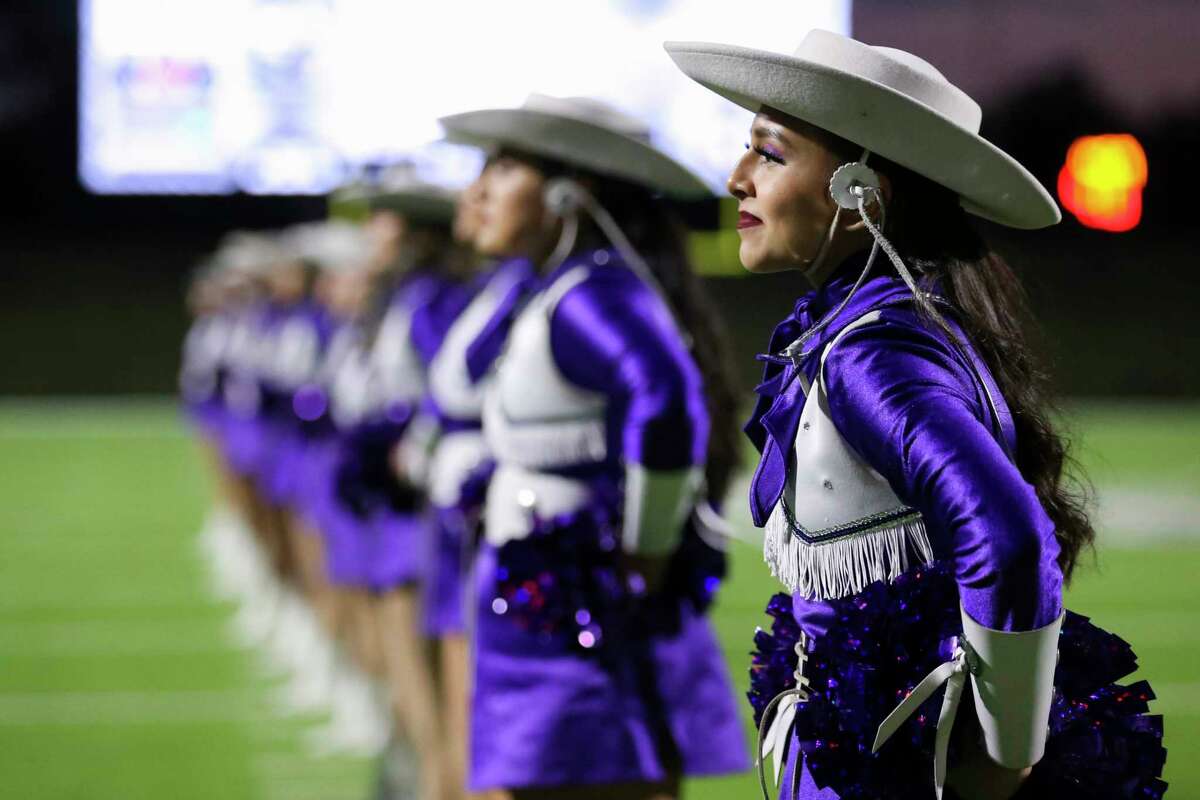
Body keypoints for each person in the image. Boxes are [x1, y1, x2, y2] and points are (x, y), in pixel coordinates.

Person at [665, 29, 1168, 800]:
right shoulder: (872, 325)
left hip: (891, 766)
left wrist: (1006, 754)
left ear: (859, 190)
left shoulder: (873, 352)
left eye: (769, 154)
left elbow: (1008, 536)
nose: (736, 179)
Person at [439, 94, 750, 800]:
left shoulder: (595, 292)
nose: (479, 188)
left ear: (565, 192)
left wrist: (646, 546)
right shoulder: (559, 288)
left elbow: (667, 400)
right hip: (546, 596)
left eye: (505, 166)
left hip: (576, 607)